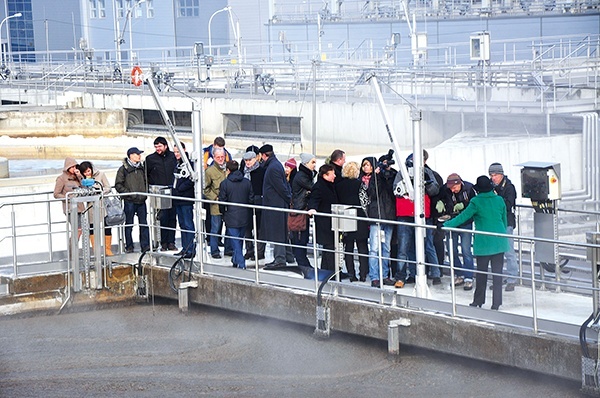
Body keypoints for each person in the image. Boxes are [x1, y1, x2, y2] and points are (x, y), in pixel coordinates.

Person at [444, 175, 510, 310]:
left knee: (482, 274)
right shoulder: (499, 200)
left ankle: (478, 301)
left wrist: (446, 224)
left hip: (484, 243)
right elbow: (504, 220)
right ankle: (496, 303)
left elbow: (463, 217)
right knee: (497, 274)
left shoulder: (476, 201)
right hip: (500, 241)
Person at [393, 152, 441, 288]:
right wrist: (406, 184)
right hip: (405, 215)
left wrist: (424, 184)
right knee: (404, 248)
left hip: (421, 215)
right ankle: (404, 276)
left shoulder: (427, 172)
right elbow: (395, 190)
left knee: (427, 245)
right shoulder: (402, 173)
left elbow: (435, 189)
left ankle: (434, 273)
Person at [360, 155, 396, 288]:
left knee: (386, 248)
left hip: (389, 216)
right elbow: (373, 193)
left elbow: (393, 191)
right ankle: (375, 277)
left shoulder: (391, 175)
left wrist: (388, 172)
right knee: (374, 249)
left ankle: (385, 275)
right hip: (376, 216)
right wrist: (377, 176)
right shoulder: (372, 178)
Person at [335, 161, 369, 282]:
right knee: (362, 247)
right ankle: (363, 273)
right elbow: (365, 201)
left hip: (345, 216)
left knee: (348, 247)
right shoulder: (360, 184)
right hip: (359, 216)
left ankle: (351, 273)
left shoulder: (338, 185)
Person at [260, 144, 292, 267]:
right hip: (277, 204)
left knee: (277, 232)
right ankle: (288, 256)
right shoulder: (276, 164)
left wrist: (288, 199)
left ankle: (280, 259)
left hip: (275, 205)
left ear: (263, 155)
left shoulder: (272, 168)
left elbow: (281, 187)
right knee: (281, 232)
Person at [444, 173, 476, 291]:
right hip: (452, 222)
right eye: (451, 188)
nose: (453, 190)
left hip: (466, 223)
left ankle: (469, 277)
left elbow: (474, 204)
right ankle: (459, 274)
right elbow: (443, 200)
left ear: (459, 183)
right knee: (451, 250)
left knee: (466, 249)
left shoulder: (469, 188)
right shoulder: (446, 190)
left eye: (454, 188)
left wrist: (464, 205)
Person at [489, 162, 518, 292]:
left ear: (501, 174)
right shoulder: (491, 187)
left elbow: (508, 204)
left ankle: (512, 279)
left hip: (506, 222)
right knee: (496, 252)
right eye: (491, 175)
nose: (493, 178)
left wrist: (496, 198)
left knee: (509, 251)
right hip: (495, 223)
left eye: (495, 175)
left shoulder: (509, 187)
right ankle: (498, 277)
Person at [115, 147, 150, 253]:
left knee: (144, 224)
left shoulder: (142, 168)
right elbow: (118, 185)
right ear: (130, 155)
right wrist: (129, 194)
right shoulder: (123, 169)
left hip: (142, 201)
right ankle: (129, 245)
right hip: (129, 201)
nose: (139, 156)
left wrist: (145, 192)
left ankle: (145, 245)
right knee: (129, 224)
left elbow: (146, 181)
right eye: (137, 154)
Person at [219, 160, 254, 269]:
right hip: (244, 215)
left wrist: (223, 213)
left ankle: (241, 263)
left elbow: (222, 201)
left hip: (231, 215)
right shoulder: (247, 182)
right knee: (239, 239)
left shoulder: (224, 184)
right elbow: (251, 199)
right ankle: (235, 259)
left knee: (235, 240)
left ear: (228, 170)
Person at [145, 136, 177, 252]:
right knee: (162, 217)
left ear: (165, 146)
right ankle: (163, 242)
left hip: (172, 191)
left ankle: (171, 242)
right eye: (156, 146)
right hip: (159, 192)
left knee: (173, 217)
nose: (157, 148)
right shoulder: (150, 159)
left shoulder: (173, 157)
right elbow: (147, 175)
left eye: (159, 146)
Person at [308, 164, 338, 272]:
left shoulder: (330, 185)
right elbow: (314, 200)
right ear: (325, 175)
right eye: (332, 174)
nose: (334, 176)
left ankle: (327, 270)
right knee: (329, 247)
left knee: (329, 248)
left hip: (331, 222)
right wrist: (312, 208)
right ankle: (330, 271)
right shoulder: (319, 186)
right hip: (325, 224)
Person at [78, 161, 113, 256]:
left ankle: (107, 249)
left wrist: (100, 191)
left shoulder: (101, 174)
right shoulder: (83, 179)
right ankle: (96, 250)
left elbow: (108, 187)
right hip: (91, 206)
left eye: (88, 171)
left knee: (107, 226)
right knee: (92, 228)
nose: (87, 173)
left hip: (102, 204)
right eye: (85, 172)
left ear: (91, 168)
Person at [290, 153, 317, 267]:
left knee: (302, 237)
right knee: (300, 237)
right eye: (313, 162)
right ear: (306, 163)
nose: (315, 165)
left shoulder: (305, 174)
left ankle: (302, 262)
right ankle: (302, 263)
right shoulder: (301, 176)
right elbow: (313, 187)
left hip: (302, 209)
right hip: (299, 210)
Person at [204, 147, 230, 259]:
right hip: (216, 205)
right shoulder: (209, 171)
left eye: (222, 157)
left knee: (229, 227)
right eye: (218, 157)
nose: (220, 159)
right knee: (215, 228)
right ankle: (214, 250)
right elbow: (205, 189)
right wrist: (214, 198)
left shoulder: (228, 169)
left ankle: (229, 249)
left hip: (229, 204)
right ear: (214, 157)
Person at [240, 148, 266, 261]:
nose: (248, 162)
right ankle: (249, 250)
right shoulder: (243, 171)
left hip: (258, 201)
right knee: (247, 228)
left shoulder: (261, 171)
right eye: (246, 160)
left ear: (255, 159)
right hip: (246, 202)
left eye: (250, 160)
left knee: (260, 229)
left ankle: (260, 252)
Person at [172, 143, 196, 259]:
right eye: (175, 152)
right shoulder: (177, 163)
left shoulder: (189, 163)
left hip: (186, 198)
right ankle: (185, 247)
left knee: (188, 224)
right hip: (178, 199)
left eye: (178, 152)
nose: (176, 154)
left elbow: (192, 179)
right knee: (182, 224)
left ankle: (190, 248)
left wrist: (179, 188)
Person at [54, 157, 84, 239]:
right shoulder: (61, 178)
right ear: (68, 167)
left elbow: (84, 187)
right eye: (72, 167)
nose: (74, 169)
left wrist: (79, 176)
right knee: (77, 230)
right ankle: (72, 250)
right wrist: (68, 197)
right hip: (70, 208)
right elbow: (56, 194)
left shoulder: (77, 177)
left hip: (80, 208)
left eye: (75, 167)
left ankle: (74, 249)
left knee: (80, 230)